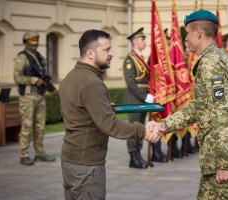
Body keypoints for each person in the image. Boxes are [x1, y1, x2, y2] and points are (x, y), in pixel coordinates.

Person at [148, 10, 228, 199]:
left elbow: (223, 114)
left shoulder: (211, 63)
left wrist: (226, 164)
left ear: (198, 32)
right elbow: (199, 106)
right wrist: (165, 125)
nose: (186, 39)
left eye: (188, 34)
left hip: (221, 164)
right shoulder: (217, 58)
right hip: (214, 161)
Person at [59, 29, 163, 200]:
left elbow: (80, 112)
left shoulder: (72, 77)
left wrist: (104, 107)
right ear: (90, 53)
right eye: (106, 50)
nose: (112, 54)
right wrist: (143, 131)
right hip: (87, 164)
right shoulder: (91, 83)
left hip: (72, 159)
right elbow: (110, 125)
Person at [123, 27, 167, 168]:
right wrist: (145, 96)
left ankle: (138, 155)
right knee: (133, 129)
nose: (144, 41)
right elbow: (130, 82)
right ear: (135, 41)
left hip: (142, 99)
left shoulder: (140, 57)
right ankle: (133, 157)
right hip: (134, 99)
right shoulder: (130, 59)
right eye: (142, 39)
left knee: (141, 128)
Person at [14, 31, 58, 165]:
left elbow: (44, 76)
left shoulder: (39, 56)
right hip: (28, 96)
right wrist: (34, 80)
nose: (35, 43)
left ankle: (40, 153)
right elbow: (17, 77)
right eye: (33, 41)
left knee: (40, 126)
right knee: (27, 126)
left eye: (36, 40)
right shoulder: (22, 57)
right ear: (26, 41)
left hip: (40, 95)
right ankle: (24, 154)